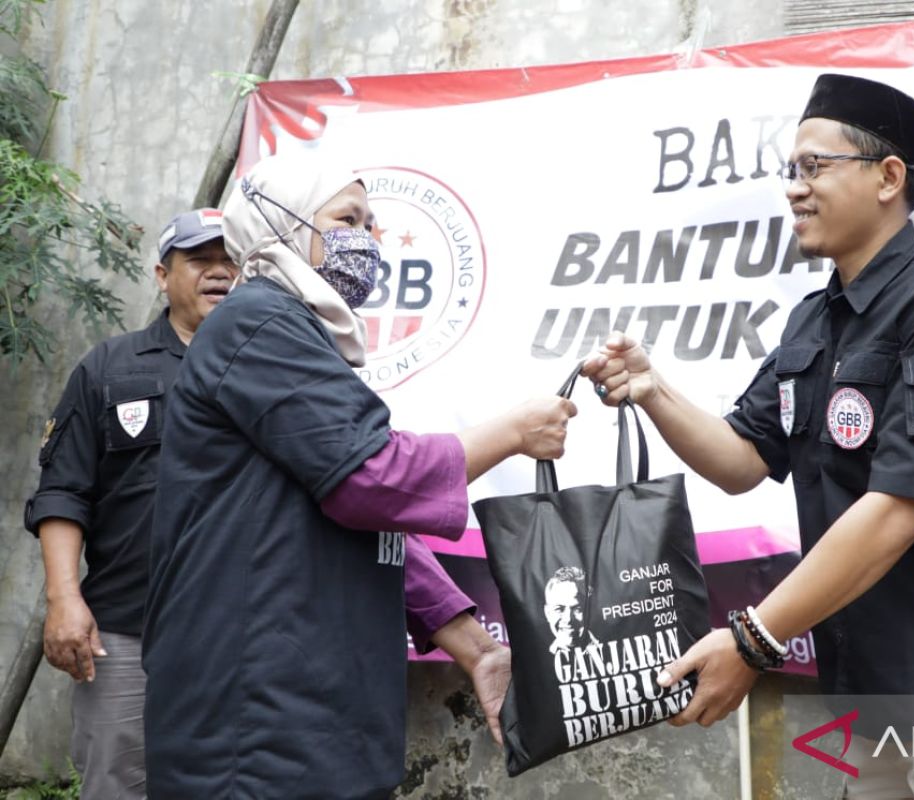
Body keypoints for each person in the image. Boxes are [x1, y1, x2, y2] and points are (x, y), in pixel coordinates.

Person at [583, 73, 914, 797]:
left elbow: (901, 506)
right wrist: (653, 391)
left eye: (815, 167)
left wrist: (752, 640)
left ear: (888, 177)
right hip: (868, 705)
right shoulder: (815, 321)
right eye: (791, 170)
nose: (794, 188)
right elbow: (743, 459)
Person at [141, 151, 577, 799]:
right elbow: (371, 479)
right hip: (255, 721)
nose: (368, 240)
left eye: (372, 224)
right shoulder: (259, 322)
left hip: (309, 715)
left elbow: (368, 519)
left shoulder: (297, 336)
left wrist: (480, 649)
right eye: (348, 218)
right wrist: (513, 432)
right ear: (280, 225)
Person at [24, 208, 236, 800]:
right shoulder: (109, 368)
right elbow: (63, 490)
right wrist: (64, 599)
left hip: (243, 632)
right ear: (162, 275)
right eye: (201, 260)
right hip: (126, 630)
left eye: (232, 260)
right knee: (118, 782)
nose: (220, 272)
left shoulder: (270, 367)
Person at [543, 566, 600, 654]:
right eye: (559, 609)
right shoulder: (539, 658)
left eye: (577, 609)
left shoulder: (607, 651)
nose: (568, 619)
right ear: (547, 613)